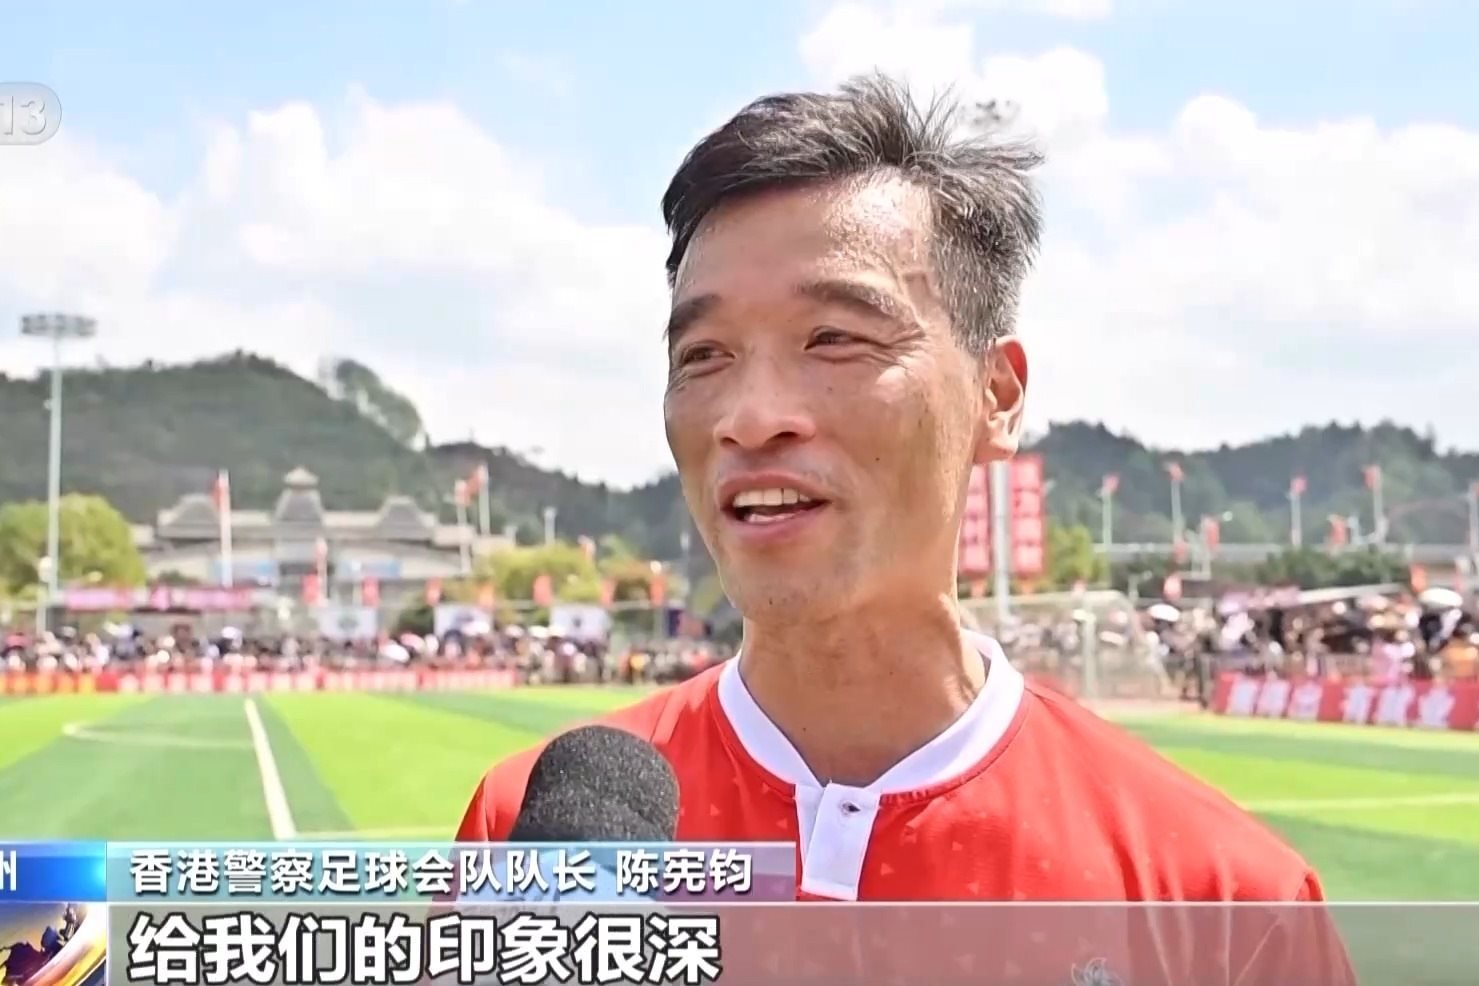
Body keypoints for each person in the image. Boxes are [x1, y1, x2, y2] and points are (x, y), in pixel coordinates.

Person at [455, 73, 1351, 981]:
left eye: (834, 338)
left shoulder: (1225, 907)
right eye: (704, 355)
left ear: (997, 395)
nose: (750, 417)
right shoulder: (531, 844)